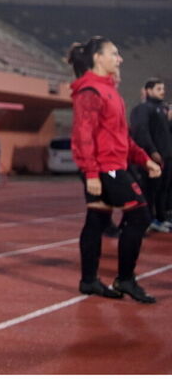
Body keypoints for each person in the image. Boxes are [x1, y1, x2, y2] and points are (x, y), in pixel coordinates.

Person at [69, 38, 161, 302]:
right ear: (98, 58)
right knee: (140, 216)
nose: (119, 58)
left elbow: (122, 136)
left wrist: (144, 159)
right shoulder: (90, 91)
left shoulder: (110, 91)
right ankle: (125, 279)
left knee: (97, 219)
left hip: (112, 164)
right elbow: (83, 135)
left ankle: (89, 281)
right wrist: (90, 173)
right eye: (114, 53)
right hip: (104, 167)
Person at [129, 79, 171, 232]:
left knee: (162, 189)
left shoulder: (162, 109)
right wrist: (152, 151)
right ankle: (144, 221)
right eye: (159, 89)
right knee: (148, 190)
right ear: (148, 91)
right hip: (150, 158)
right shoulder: (143, 108)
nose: (162, 91)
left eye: (163, 89)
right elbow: (141, 131)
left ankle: (159, 218)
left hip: (165, 157)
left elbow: (164, 133)